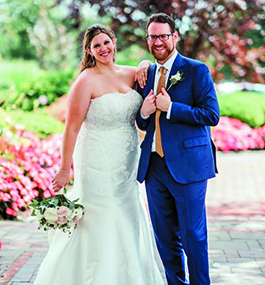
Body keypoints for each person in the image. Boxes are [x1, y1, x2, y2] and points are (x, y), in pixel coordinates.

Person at [34, 24, 165, 285]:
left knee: (127, 213)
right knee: (100, 216)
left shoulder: (131, 74)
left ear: (114, 42)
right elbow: (71, 129)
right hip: (95, 159)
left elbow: (155, 74)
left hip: (127, 161)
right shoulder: (85, 81)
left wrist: (143, 62)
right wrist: (64, 169)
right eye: (97, 46)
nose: (103, 48)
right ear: (89, 51)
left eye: (106, 42)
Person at [136, 13, 220, 285]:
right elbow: (141, 119)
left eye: (163, 36)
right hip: (154, 167)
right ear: (147, 40)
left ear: (174, 37)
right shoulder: (146, 74)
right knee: (164, 236)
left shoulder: (197, 70)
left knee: (193, 236)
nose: (157, 41)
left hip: (188, 166)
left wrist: (172, 108)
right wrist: (145, 113)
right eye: (152, 36)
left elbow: (211, 115)